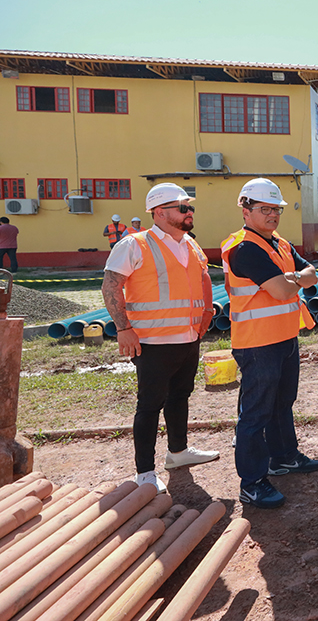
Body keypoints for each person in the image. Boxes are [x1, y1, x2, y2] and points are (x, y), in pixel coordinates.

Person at [100, 183, 219, 493]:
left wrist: (206, 313)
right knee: (150, 405)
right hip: (151, 343)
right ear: (160, 212)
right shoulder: (134, 244)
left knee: (180, 396)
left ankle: (178, 453)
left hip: (188, 338)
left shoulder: (190, 244)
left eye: (189, 207)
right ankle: (145, 473)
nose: (189, 211)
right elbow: (111, 285)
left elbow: (204, 276)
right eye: (183, 207)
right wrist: (123, 328)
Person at [222, 177, 318, 509]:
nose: (272, 215)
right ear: (246, 210)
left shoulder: (277, 243)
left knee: (282, 403)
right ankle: (251, 482)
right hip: (256, 343)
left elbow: (312, 274)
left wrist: (290, 278)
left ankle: (284, 458)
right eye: (265, 209)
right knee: (256, 413)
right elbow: (282, 290)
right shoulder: (244, 248)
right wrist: (294, 279)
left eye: (276, 209)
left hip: (284, 336)